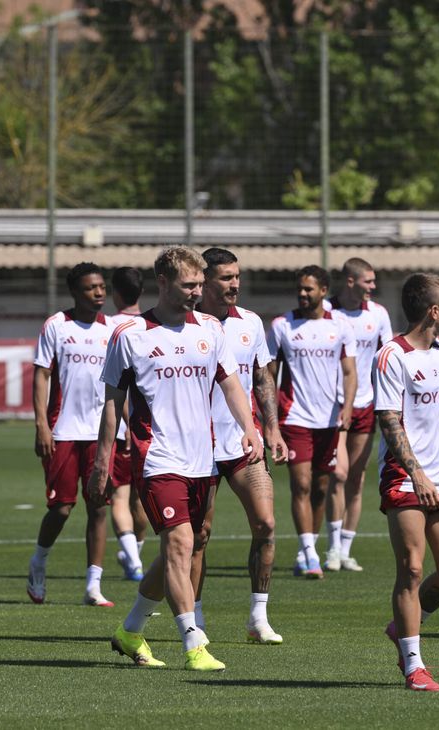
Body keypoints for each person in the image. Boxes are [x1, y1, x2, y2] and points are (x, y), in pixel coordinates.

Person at [92, 246, 260, 671]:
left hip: (202, 459)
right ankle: (193, 643)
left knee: (179, 549)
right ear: (163, 283)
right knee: (181, 544)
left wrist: (249, 428)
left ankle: (130, 631)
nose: (197, 292)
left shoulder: (209, 328)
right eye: (189, 285)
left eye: (200, 284)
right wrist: (102, 461)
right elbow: (112, 402)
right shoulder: (130, 335)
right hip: (157, 458)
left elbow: (232, 384)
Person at [374, 272, 439, 693]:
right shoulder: (392, 356)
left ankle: (403, 627)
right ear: (434, 311)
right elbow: (388, 419)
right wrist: (416, 474)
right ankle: (413, 663)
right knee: (412, 569)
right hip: (406, 477)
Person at [192, 247, 288, 644]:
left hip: (242, 443)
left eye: (237, 276)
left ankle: (258, 618)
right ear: (205, 281)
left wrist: (272, 428)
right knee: (199, 535)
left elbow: (263, 379)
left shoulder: (250, 322)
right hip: (196, 446)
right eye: (226, 278)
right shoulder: (188, 324)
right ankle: (194, 618)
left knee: (266, 524)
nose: (235, 284)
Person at [26, 263, 116, 607]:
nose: (99, 293)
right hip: (62, 431)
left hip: (100, 433)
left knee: (98, 506)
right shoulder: (57, 326)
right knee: (62, 508)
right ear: (76, 292)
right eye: (92, 288)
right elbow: (41, 376)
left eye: (102, 287)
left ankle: (93, 585)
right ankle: (39, 561)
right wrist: (41, 425)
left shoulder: (114, 330)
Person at [267, 265, 357, 579]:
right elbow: (268, 374)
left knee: (320, 487)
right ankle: (309, 554)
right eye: (300, 288)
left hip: (329, 420)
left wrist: (348, 406)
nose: (303, 294)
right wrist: (272, 421)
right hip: (294, 417)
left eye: (309, 289)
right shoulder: (282, 326)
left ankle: (310, 547)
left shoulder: (341, 326)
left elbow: (349, 371)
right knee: (301, 484)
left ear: (322, 291)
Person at [324, 259, 393, 572]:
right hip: (332, 405)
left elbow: (387, 357)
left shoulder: (377, 314)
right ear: (350, 281)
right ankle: (332, 547)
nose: (372, 287)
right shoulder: (327, 311)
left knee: (356, 478)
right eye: (367, 281)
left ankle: (347, 549)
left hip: (366, 404)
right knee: (337, 474)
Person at [108, 267, 148, 581]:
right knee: (142, 497)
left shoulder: (109, 327)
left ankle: (133, 559)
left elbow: (115, 385)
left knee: (120, 497)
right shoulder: (147, 327)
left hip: (119, 429)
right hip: (148, 430)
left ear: (114, 293)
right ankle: (136, 551)